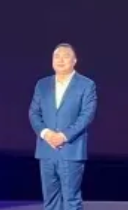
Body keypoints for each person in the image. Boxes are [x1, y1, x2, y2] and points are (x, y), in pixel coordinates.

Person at [29, 43, 98, 210]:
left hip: (71, 150)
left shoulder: (86, 85)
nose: (60, 60)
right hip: (46, 150)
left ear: (74, 61)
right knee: (50, 201)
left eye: (66, 56)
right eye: (56, 56)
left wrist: (64, 136)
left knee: (71, 201)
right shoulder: (42, 85)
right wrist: (46, 133)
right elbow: (34, 113)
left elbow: (86, 115)